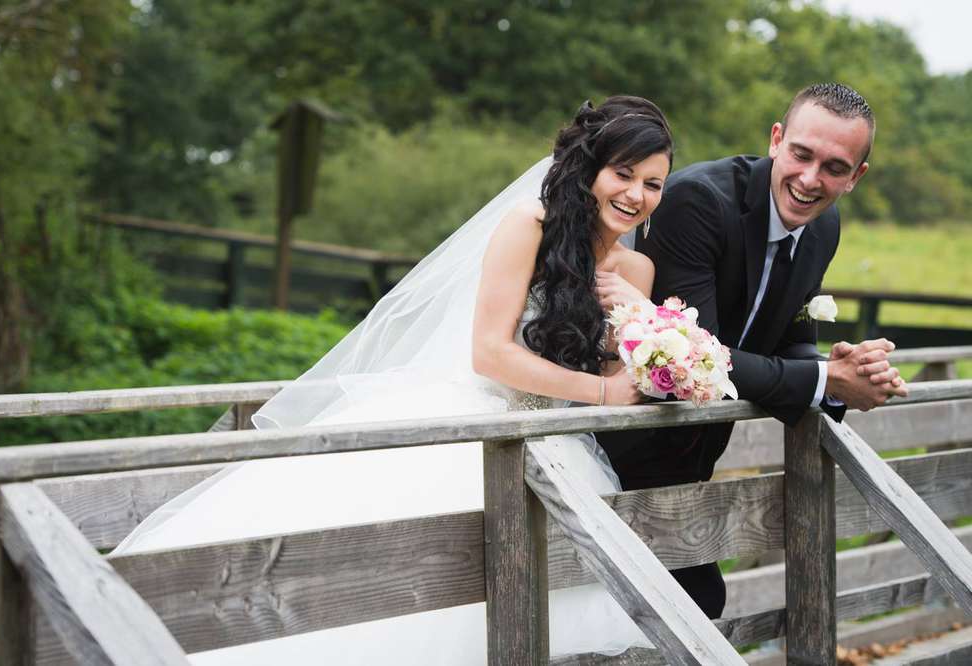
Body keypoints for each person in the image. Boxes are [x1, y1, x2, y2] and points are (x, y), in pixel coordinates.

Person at [113, 97, 678, 663]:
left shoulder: (638, 270)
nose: (635, 195)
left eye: (653, 184)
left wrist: (656, 337)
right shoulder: (528, 227)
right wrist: (604, 392)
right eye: (623, 174)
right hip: (478, 430)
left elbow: (622, 373)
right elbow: (490, 354)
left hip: (562, 454)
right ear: (590, 170)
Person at [595, 82, 909, 619]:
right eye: (802, 154)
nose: (811, 180)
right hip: (616, 448)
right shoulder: (698, 201)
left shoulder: (823, 225)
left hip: (693, 461)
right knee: (646, 617)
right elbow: (702, 359)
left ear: (856, 177)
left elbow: (791, 335)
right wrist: (827, 383)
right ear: (776, 139)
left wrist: (842, 367)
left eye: (834, 167)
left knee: (693, 612)